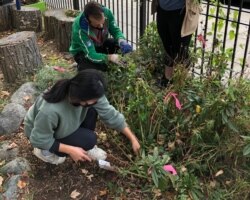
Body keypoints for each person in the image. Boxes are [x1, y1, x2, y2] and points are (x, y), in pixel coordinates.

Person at [24, 69, 140, 165]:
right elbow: (38, 138)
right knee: (89, 139)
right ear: (81, 96)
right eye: (93, 100)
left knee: (92, 110)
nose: (97, 101)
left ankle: (80, 145)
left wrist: (132, 138)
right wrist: (71, 150)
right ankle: (44, 152)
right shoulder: (50, 110)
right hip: (39, 132)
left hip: (63, 124)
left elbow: (111, 114)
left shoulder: (87, 94)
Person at [70, 1, 132, 72]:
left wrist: (121, 41)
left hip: (99, 45)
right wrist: (110, 57)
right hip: (82, 52)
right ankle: (81, 65)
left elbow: (115, 30)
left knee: (117, 45)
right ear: (88, 20)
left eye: (102, 22)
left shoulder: (107, 13)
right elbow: (91, 54)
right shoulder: (80, 29)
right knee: (95, 69)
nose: (101, 26)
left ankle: (111, 62)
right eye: (97, 25)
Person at [151, 0, 201, 87]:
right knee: (168, 46)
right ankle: (167, 79)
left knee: (181, 50)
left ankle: (182, 84)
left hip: (181, 11)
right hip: (162, 9)